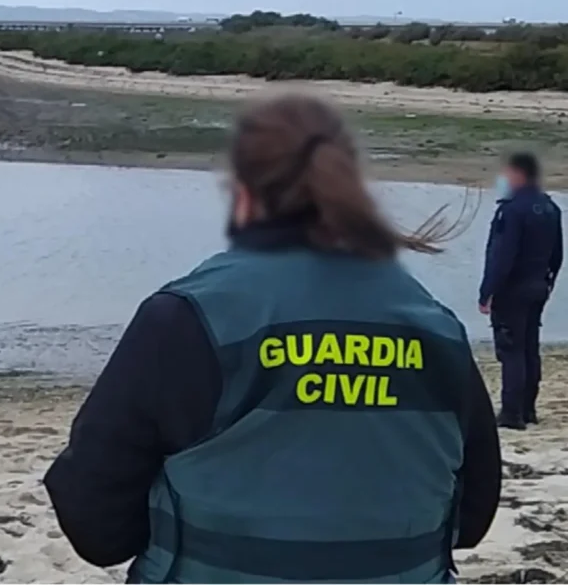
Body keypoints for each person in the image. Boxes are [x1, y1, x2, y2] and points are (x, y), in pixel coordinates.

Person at [44, 95, 501, 583]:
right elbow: (471, 518)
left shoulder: (185, 318)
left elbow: (97, 527)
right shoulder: (436, 325)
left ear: (244, 196)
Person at [479, 152, 563, 430]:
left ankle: (512, 413)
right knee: (529, 348)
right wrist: (548, 283)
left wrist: (487, 292)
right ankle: (528, 409)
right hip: (538, 286)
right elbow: (557, 255)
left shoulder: (512, 210)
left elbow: (502, 256)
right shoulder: (550, 208)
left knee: (511, 350)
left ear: (518, 175)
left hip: (513, 289)